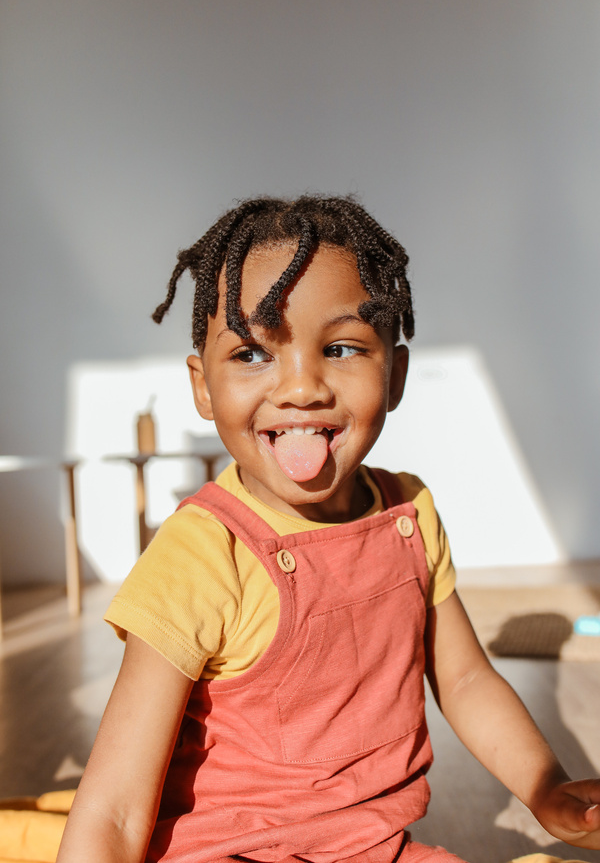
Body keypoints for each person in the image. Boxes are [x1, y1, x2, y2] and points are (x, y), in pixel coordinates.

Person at [57, 196, 600, 863]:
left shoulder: (409, 513)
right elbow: (112, 809)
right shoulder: (201, 554)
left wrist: (546, 790)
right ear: (202, 384)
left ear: (394, 375)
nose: (302, 388)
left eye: (341, 348)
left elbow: (463, 682)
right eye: (253, 353)